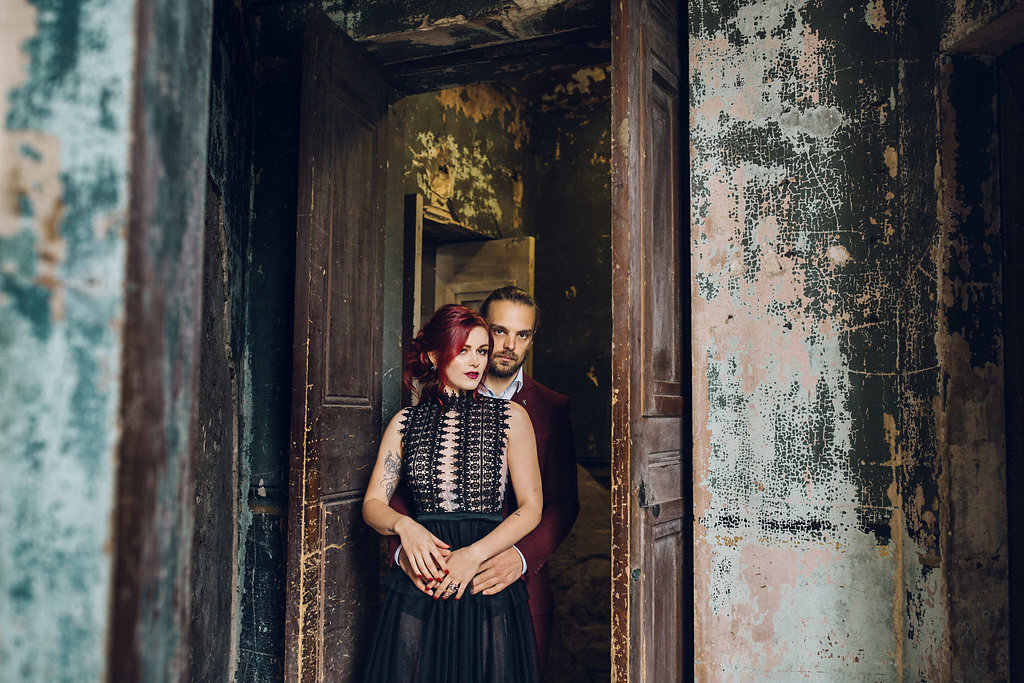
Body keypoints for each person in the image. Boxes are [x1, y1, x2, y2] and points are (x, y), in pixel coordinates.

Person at [390, 286, 580, 670]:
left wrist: (520, 558)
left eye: (522, 334)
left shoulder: (551, 407)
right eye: (499, 331)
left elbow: (562, 503)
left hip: (512, 586)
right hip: (435, 582)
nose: (509, 345)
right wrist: (404, 550)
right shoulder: (420, 414)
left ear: (531, 339)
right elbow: (402, 491)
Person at [361, 304, 543, 682]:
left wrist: (473, 557)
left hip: (484, 577)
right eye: (463, 350)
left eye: (481, 350)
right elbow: (372, 505)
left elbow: (532, 507)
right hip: (423, 575)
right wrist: (404, 528)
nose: (476, 361)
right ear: (432, 355)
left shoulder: (511, 418)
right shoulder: (404, 422)